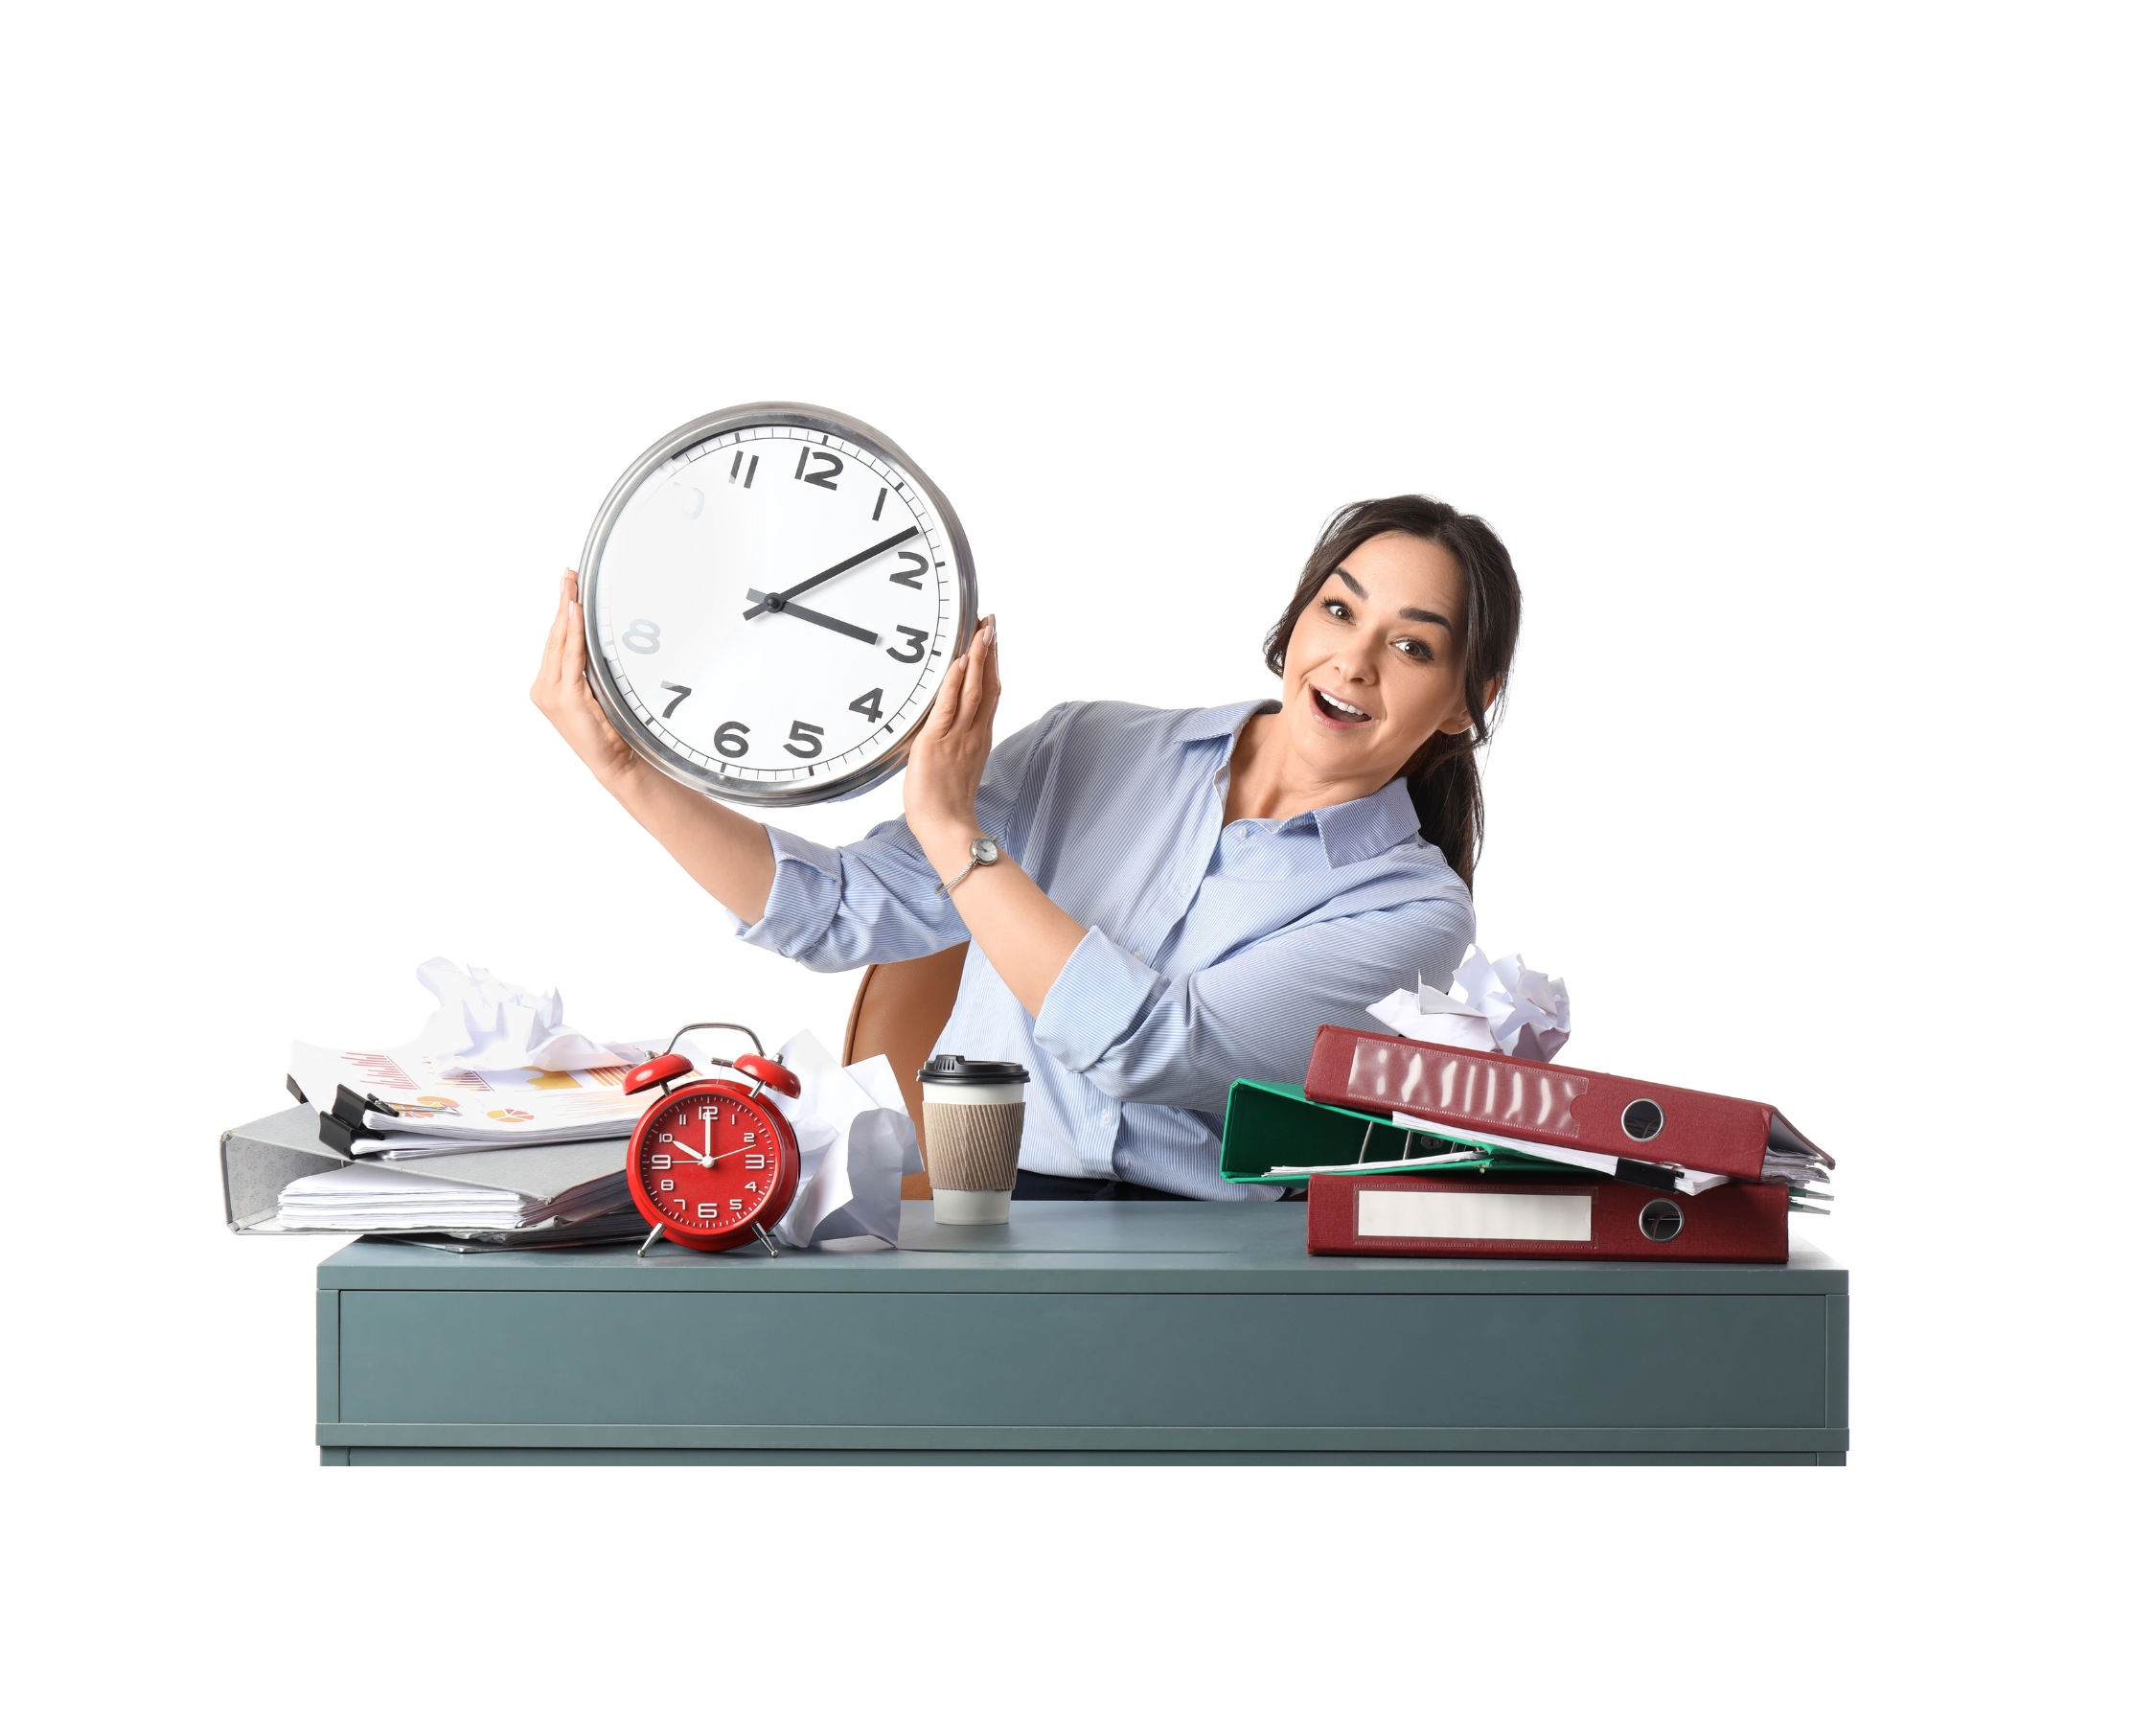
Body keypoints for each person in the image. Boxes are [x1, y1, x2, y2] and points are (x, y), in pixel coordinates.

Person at [534, 494, 1524, 1201]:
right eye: (1340, 609)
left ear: (1465, 703)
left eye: (1414, 645)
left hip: (1215, 1256)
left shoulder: (1414, 913)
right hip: (978, 1214)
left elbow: (1161, 1048)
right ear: (1298, 619)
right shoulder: (1089, 748)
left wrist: (958, 835)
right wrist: (625, 768)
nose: (1353, 659)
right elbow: (831, 911)